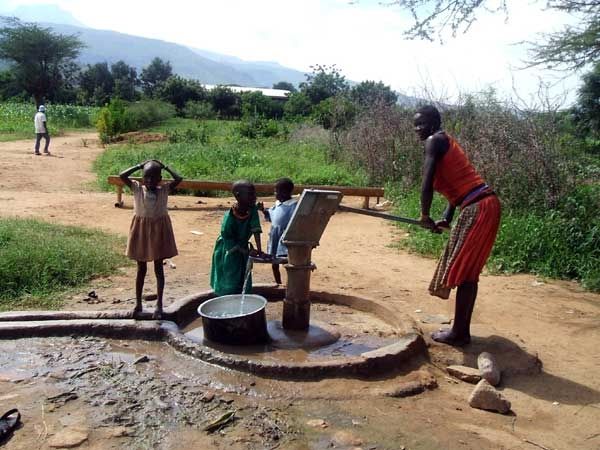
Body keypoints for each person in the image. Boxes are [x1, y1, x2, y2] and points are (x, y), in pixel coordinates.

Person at [414, 104, 501, 346]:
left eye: (421, 123)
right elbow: (459, 186)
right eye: (415, 125)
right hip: (478, 204)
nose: (417, 129)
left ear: (434, 123)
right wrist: (447, 217)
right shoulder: (444, 141)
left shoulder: (434, 141)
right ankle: (460, 330)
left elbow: (427, 182)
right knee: (466, 270)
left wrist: (424, 214)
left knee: (465, 271)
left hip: (479, 207)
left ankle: (460, 333)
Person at [119, 160, 182, 318]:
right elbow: (122, 175)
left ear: (160, 178)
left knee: (158, 269)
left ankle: (159, 305)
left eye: (154, 178)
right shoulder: (137, 188)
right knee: (141, 269)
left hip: (159, 231)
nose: (150, 181)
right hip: (141, 231)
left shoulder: (164, 189)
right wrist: (140, 165)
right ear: (142, 178)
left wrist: (165, 166)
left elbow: (179, 179)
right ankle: (138, 303)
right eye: (146, 177)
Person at [210, 180, 266, 296]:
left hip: (243, 247)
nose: (254, 197)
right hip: (228, 249)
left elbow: (256, 230)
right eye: (250, 194)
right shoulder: (229, 217)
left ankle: (243, 302)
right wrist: (245, 250)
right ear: (238, 196)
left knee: (243, 276)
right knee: (229, 276)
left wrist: (259, 251)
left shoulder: (252, 210)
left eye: (254, 194)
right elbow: (227, 237)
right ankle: (226, 301)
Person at [257, 178, 297, 285]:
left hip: (284, 238)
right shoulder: (277, 204)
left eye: (276, 191)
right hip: (274, 237)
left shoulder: (293, 206)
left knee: (286, 261)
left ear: (284, 192)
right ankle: (278, 283)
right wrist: (263, 210)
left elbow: (296, 221)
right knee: (274, 263)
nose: (275, 193)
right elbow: (271, 215)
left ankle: (290, 284)